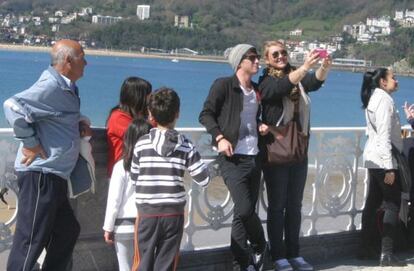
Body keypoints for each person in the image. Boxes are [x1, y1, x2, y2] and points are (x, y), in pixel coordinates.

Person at [3, 39, 88, 271]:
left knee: (67, 231)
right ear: (68, 61)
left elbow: (54, 116)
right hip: (40, 173)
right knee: (31, 238)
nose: (87, 63)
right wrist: (30, 143)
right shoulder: (50, 85)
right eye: (82, 57)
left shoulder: (67, 87)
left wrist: (78, 124)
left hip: (55, 175)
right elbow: (12, 106)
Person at [258, 40, 331, 271]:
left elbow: (313, 83)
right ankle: (278, 255)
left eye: (283, 53)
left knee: (295, 205)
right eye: (275, 54)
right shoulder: (266, 81)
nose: (281, 57)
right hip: (277, 152)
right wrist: (305, 67)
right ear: (267, 60)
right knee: (277, 206)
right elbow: (279, 88)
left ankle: (294, 253)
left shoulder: (296, 80)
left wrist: (324, 66)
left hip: (298, 151)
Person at [199, 44, 267, 271]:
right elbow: (206, 114)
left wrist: (260, 125)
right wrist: (219, 137)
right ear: (240, 62)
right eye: (253, 58)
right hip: (232, 159)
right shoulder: (223, 85)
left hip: (254, 156)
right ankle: (259, 244)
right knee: (246, 208)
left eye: (258, 58)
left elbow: (248, 120)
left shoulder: (256, 90)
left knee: (241, 214)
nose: (258, 62)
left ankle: (241, 265)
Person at [130, 87, 210, 271]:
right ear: (177, 113)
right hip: (173, 213)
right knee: (166, 264)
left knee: (142, 261)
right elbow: (203, 179)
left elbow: (135, 177)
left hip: (146, 212)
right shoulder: (186, 145)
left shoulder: (141, 144)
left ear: (151, 115)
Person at [359, 68, 406, 267]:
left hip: (372, 157)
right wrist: (390, 168)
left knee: (373, 203)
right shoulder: (384, 100)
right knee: (393, 203)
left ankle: (365, 249)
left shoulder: (374, 98)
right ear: (382, 82)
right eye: (393, 77)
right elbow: (385, 135)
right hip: (383, 159)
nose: (396, 80)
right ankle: (386, 254)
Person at [103, 119, 151, 271]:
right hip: (147, 223)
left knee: (125, 267)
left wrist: (108, 227)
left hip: (124, 226)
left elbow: (114, 201)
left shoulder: (121, 166)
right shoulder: (153, 166)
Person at [106, 77, 152, 177]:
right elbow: (143, 136)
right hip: (123, 172)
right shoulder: (118, 117)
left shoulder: (137, 117)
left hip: (137, 171)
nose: (150, 99)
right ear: (138, 96)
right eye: (148, 95)